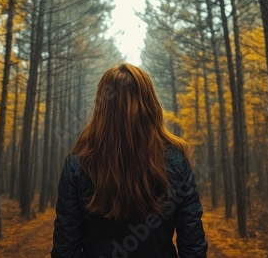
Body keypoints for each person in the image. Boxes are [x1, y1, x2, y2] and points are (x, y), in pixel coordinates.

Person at [51, 63, 207, 258]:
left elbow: (65, 249)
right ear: (150, 104)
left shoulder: (77, 165)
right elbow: (193, 246)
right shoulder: (176, 161)